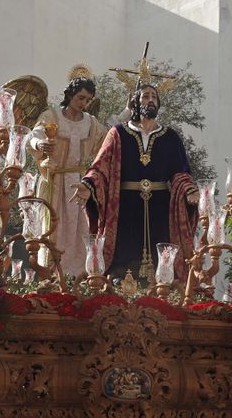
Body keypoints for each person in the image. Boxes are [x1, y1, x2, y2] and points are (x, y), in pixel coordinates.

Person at [74, 77, 199, 279]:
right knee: (124, 259)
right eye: (145, 96)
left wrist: (189, 190)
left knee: (160, 258)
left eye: (154, 97)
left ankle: (162, 290)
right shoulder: (118, 133)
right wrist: (89, 184)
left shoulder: (171, 137)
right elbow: (100, 166)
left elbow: (181, 173)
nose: (150, 100)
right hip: (125, 206)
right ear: (135, 102)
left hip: (160, 207)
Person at [27, 71, 109, 278]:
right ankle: (53, 275)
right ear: (70, 94)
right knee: (55, 228)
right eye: (80, 98)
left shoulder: (90, 123)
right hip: (54, 180)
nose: (84, 103)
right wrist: (39, 144)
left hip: (79, 183)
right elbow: (32, 136)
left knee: (80, 228)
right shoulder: (52, 116)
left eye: (88, 100)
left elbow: (108, 139)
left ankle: (79, 276)